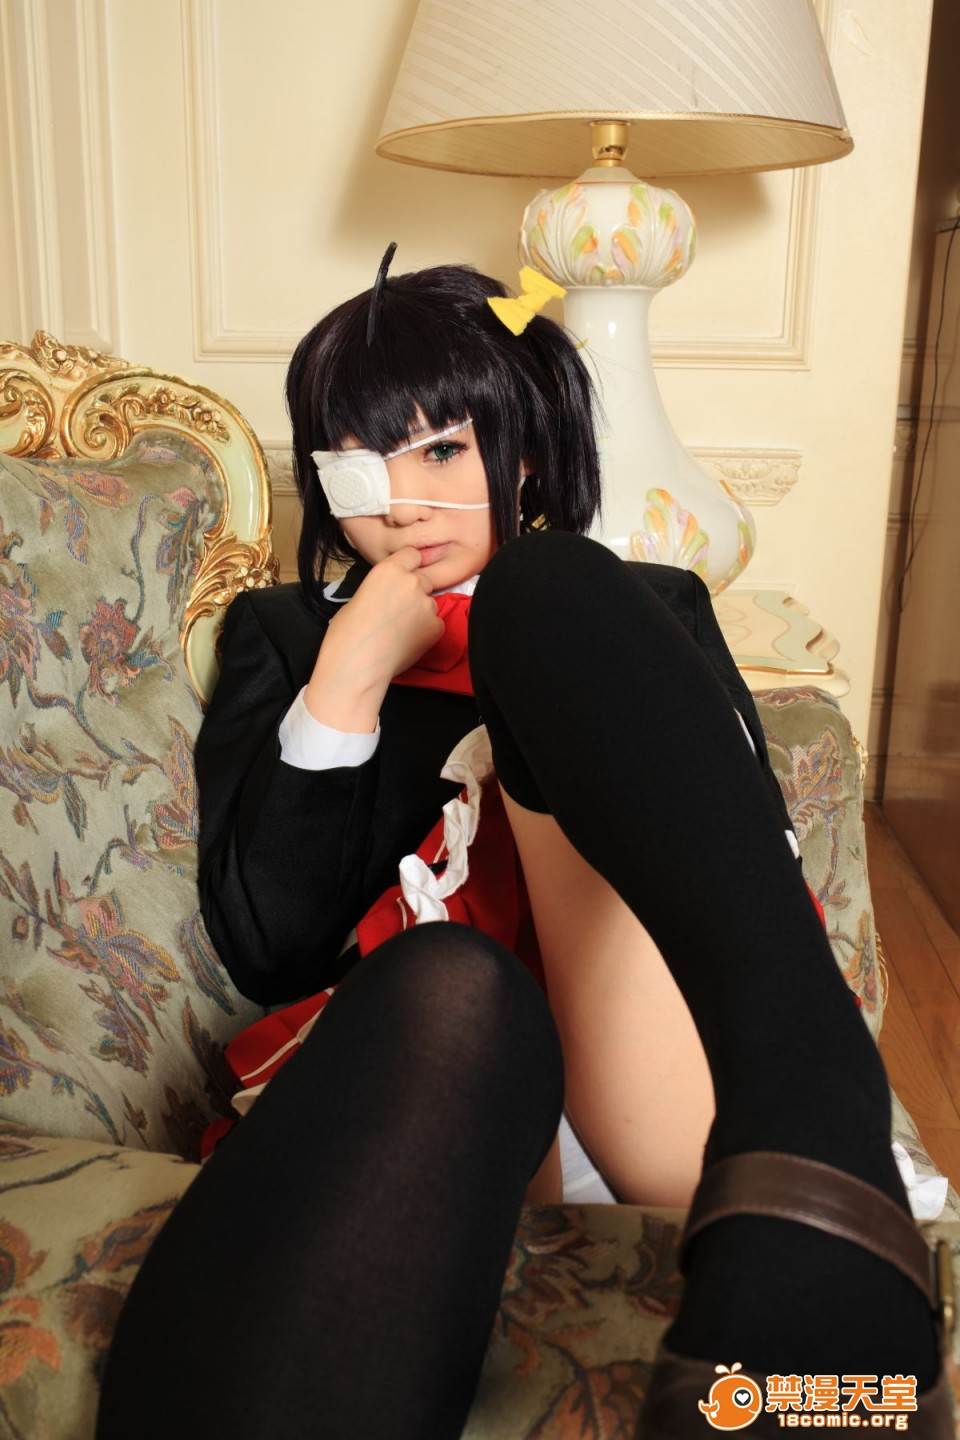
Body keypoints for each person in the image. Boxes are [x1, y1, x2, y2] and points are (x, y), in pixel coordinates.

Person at [95, 252, 951, 1439]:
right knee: (459, 981)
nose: (401, 502)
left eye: (443, 452)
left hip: (660, 1077)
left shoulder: (646, 605)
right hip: (440, 1073)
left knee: (545, 592)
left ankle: (815, 1150)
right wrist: (350, 676)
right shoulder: (287, 636)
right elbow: (270, 942)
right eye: (359, 464)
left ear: (528, 453)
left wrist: (538, 637)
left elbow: (737, 860)